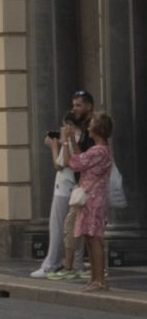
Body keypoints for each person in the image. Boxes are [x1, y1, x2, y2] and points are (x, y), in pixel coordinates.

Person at [51, 91, 95, 281]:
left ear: (88, 106)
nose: (74, 109)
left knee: (90, 231)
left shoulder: (93, 130)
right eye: (74, 105)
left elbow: (72, 163)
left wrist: (65, 144)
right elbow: (78, 160)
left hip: (89, 188)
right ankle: (73, 266)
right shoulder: (85, 130)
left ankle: (90, 270)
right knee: (76, 227)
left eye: (78, 105)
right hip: (81, 185)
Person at [68, 112, 113, 292]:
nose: (88, 127)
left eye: (91, 124)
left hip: (92, 199)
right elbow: (82, 160)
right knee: (90, 238)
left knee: (94, 239)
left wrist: (68, 142)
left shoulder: (98, 151)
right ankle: (95, 278)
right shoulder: (103, 150)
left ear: (97, 129)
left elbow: (75, 164)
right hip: (93, 198)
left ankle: (99, 280)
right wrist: (72, 141)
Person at [34, 112, 80, 279]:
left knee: (58, 228)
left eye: (64, 125)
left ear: (69, 124)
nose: (61, 129)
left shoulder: (72, 139)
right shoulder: (77, 140)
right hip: (71, 188)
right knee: (72, 228)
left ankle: (50, 265)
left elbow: (60, 165)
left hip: (64, 188)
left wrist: (55, 147)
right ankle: (76, 264)